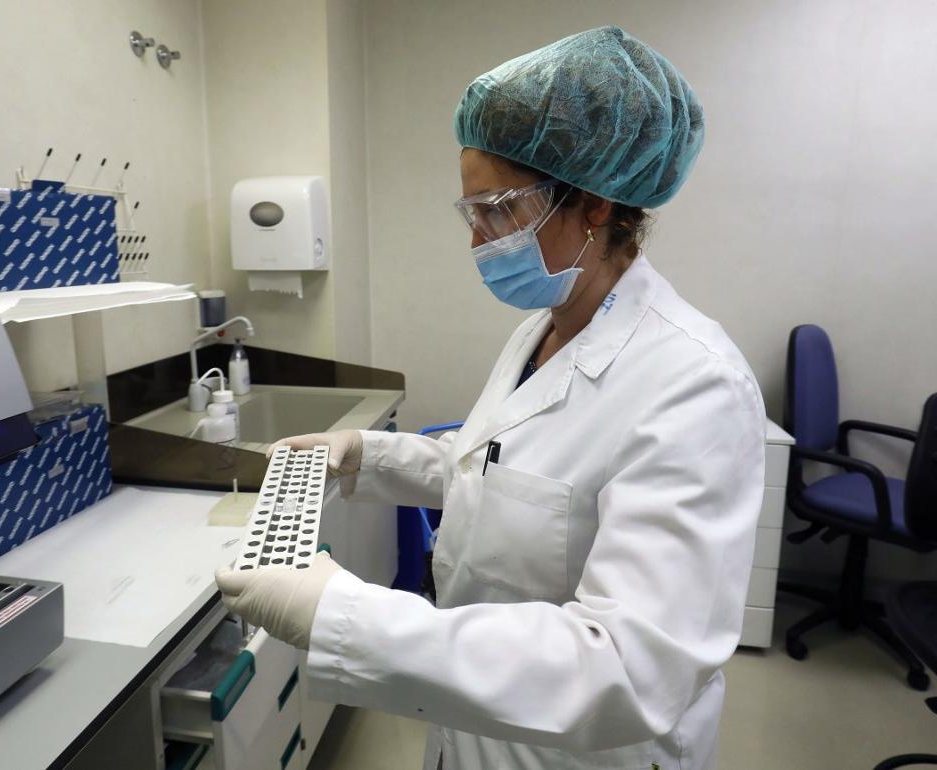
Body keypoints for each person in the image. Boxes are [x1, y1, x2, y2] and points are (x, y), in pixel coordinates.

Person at [216, 26, 764, 770]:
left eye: (499, 209)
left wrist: (342, 614)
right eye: (469, 212)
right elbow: (492, 471)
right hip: (471, 736)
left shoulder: (695, 386)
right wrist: (365, 457)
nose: (477, 239)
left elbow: (629, 668)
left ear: (595, 205)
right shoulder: (545, 329)